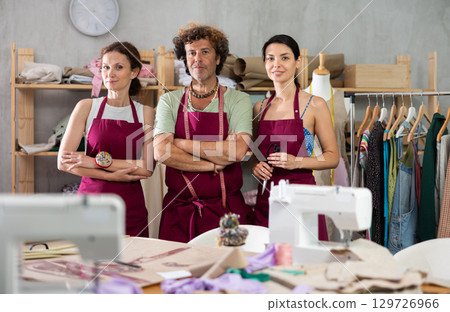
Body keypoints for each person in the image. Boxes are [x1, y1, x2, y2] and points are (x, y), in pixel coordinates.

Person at [153, 23, 252, 243]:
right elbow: (162, 153)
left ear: (218, 58)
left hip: (228, 212)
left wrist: (181, 144)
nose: (197, 58)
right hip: (178, 212)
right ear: (185, 59)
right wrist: (213, 164)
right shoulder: (169, 101)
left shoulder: (239, 100)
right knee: (175, 273)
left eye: (205, 51)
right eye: (191, 53)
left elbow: (236, 153)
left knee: (229, 274)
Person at [58, 41, 155, 237]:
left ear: (134, 72)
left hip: (130, 209)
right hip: (90, 205)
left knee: (134, 264)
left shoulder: (146, 113)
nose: (110, 74)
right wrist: (111, 175)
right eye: (105, 67)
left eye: (119, 67)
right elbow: (62, 162)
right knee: (89, 266)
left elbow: (146, 167)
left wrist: (94, 162)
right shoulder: (86, 107)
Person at [251, 35, 339, 239]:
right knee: (267, 259)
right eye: (270, 58)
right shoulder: (260, 107)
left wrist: (296, 162)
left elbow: (333, 157)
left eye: (284, 58)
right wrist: (255, 165)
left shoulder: (315, 105)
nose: (276, 64)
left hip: (303, 196)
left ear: (297, 61)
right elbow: (256, 152)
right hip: (268, 197)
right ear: (265, 63)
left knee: (307, 262)